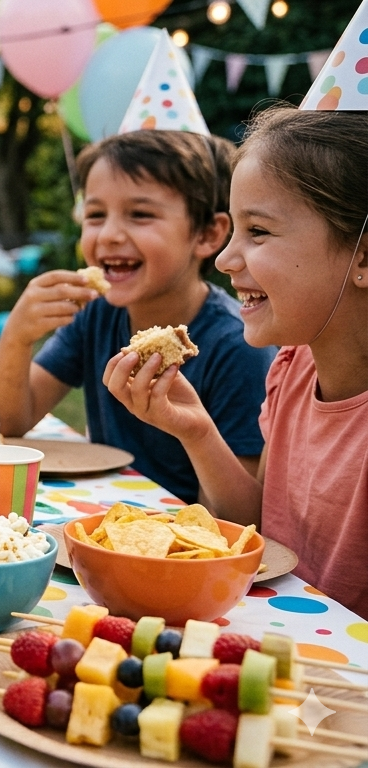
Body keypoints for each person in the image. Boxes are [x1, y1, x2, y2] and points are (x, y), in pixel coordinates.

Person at [102, 106, 368, 618]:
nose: (225, 259)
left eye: (259, 232)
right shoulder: (292, 369)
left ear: (363, 257)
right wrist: (196, 430)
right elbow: (257, 530)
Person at [0, 129, 276, 507]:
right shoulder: (97, 313)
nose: (108, 234)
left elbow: (234, 518)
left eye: (140, 214)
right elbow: (8, 425)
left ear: (207, 234)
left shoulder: (237, 346)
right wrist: (17, 335)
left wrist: (194, 433)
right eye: (94, 215)